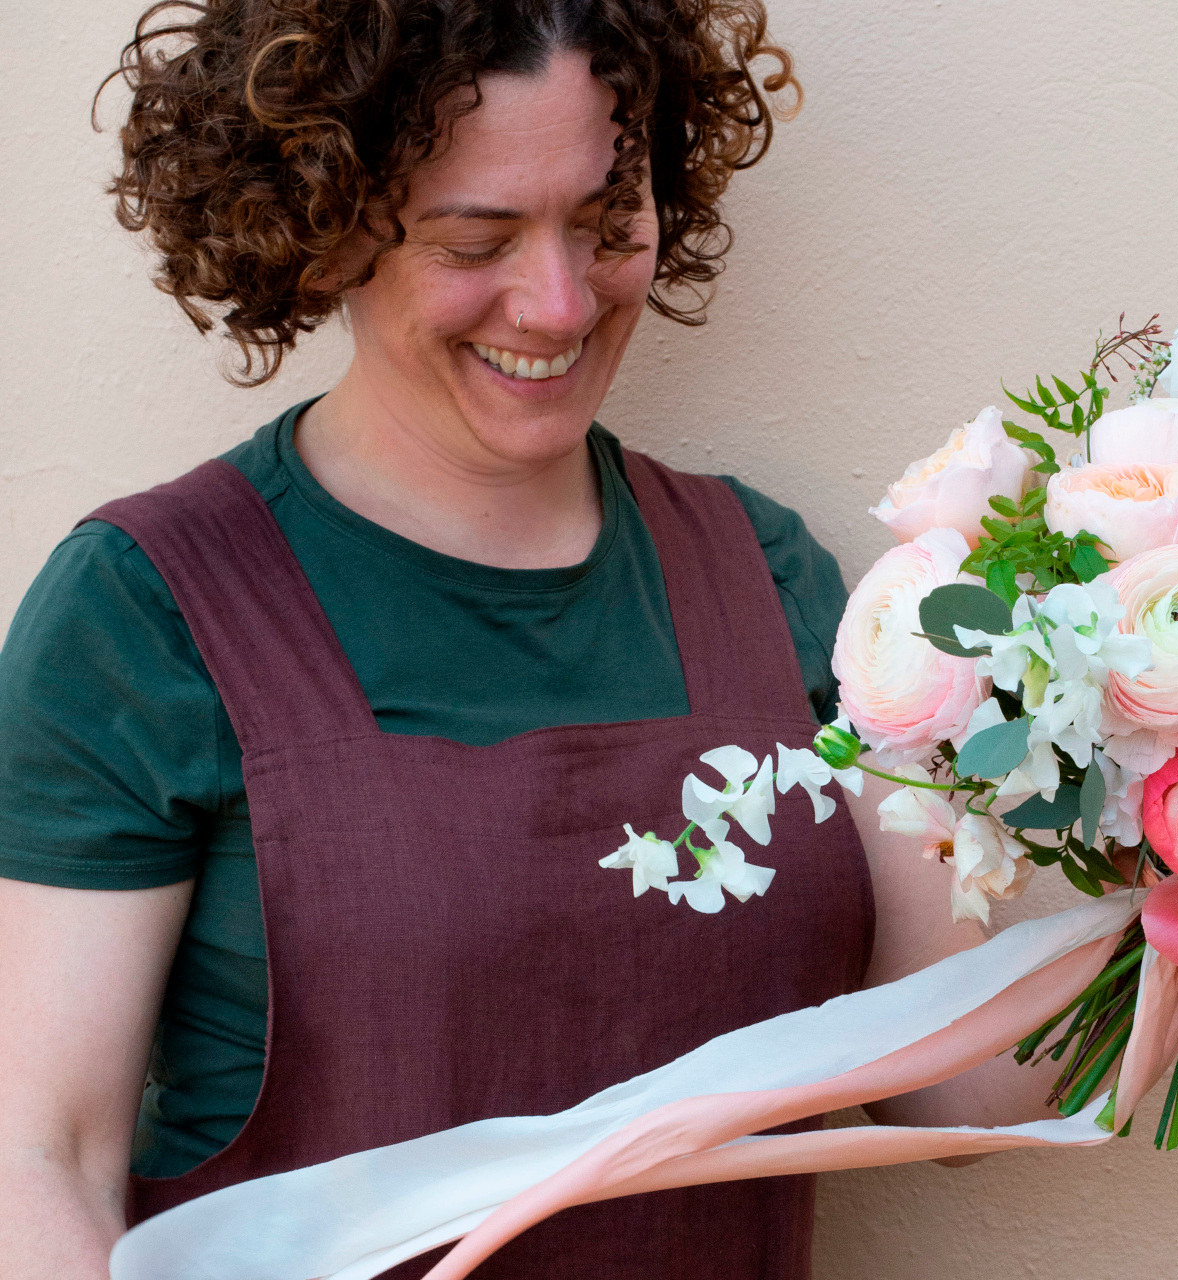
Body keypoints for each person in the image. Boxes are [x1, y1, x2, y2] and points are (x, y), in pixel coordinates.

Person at [0, 3, 1053, 1276]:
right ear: (325, 228)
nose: (557, 302)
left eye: (607, 224)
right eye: (475, 239)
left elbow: (963, 1099)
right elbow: (38, 1158)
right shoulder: (148, 609)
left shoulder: (764, 575)